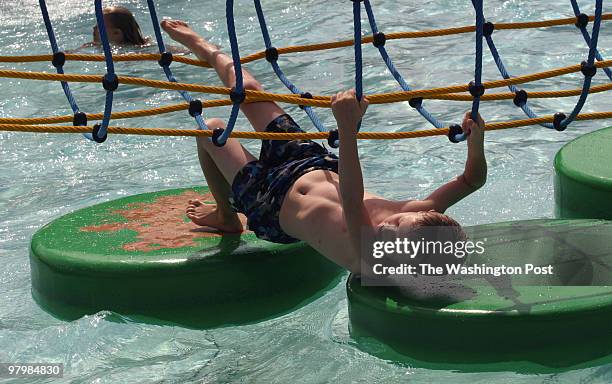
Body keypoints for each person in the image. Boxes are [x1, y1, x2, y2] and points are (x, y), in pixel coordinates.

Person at [161, 20, 487, 274]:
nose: (385, 229)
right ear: (427, 215)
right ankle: (202, 45)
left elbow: (350, 198)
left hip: (270, 202)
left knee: (211, 129)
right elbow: (472, 180)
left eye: (391, 241)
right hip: (309, 163)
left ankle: (226, 216)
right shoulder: (421, 222)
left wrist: (346, 128)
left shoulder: (371, 258)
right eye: (397, 225)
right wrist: (477, 141)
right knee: (248, 89)